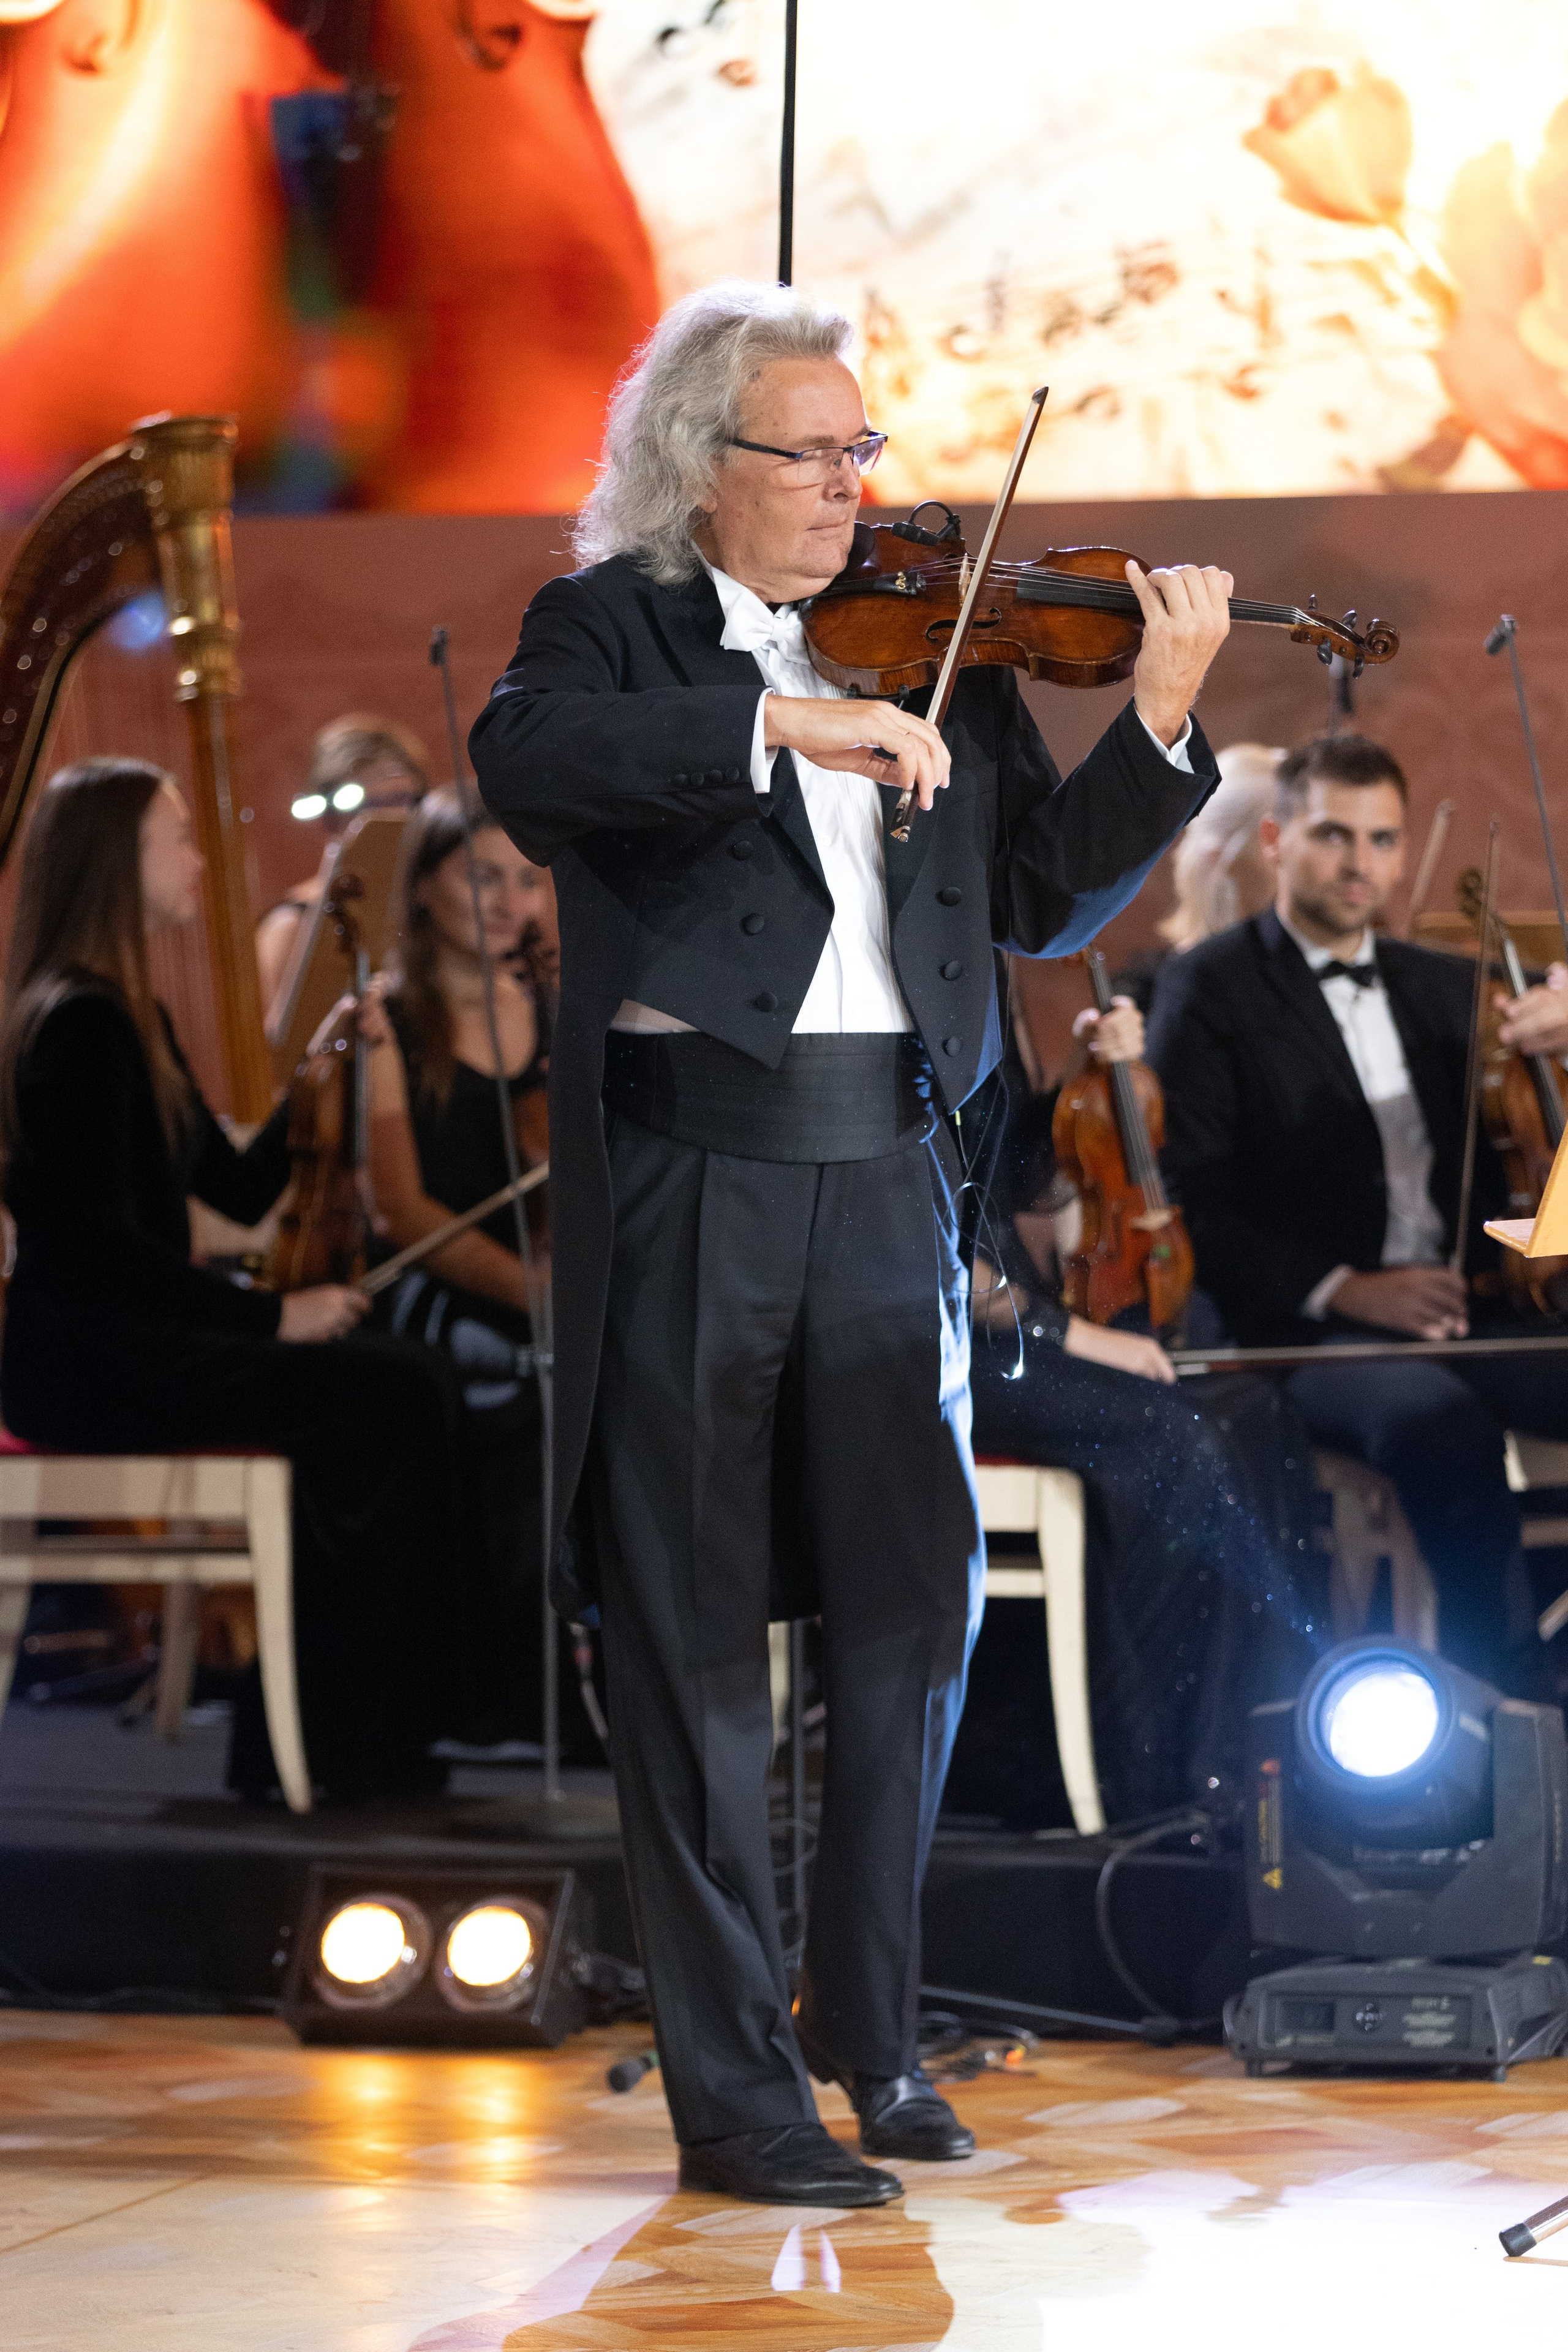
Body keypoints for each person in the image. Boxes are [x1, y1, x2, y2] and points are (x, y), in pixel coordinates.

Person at [469, 279, 1229, 2207]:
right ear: (694, 468)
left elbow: (1045, 902)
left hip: (891, 1173)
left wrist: (1152, 716)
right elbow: (531, 761)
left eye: (859, 448)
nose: (848, 485)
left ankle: (870, 2041)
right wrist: (779, 717)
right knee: (694, 1633)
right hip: (695, 1167)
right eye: (806, 452)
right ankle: (733, 2097)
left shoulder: (941, 648)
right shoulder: (612, 629)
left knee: (906, 1617)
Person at [0, 756, 466, 1800]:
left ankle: (352, 1732)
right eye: (178, 838)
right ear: (121, 862)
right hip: (83, 1366)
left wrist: (326, 1062)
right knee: (392, 1394)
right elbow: (99, 1261)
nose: (198, 858)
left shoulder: (134, 1020)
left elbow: (244, 1191)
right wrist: (270, 1321)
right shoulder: (76, 1025)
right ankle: (338, 1744)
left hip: (127, 1343)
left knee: (408, 1380)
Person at [1148, 730, 1568, 1691]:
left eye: (1384, 840)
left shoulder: (1448, 985)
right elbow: (1191, 1203)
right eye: (1336, 836)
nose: (1361, 864)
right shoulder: (1206, 988)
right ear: (1276, 841)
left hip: (1468, 1308)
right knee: (1441, 1432)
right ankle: (1496, 1714)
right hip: (1307, 1329)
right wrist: (1351, 1290)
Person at [959, 997, 1318, 1831]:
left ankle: (1257, 1743)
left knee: (1257, 1416)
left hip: (1008, 1329)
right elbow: (928, 1256)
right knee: (1172, 1436)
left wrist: (1075, 1092)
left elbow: (1010, 1174)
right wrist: (1071, 1332)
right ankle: (1156, 1780)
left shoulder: (986, 972)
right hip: (934, 1346)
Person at [358, 788, 585, 1750]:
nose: (509, 902)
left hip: (537, 1290)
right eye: (481, 876)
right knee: (531, 1381)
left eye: (527, 881)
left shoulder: (551, 1006)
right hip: (429, 1288)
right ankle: (521, 1689)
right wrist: (529, 1292)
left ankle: (613, 1671)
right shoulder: (383, 1019)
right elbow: (399, 1209)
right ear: (424, 885)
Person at [255, 714, 430, 1017]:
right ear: (330, 818)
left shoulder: (431, 905)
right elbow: (277, 1052)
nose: (398, 819)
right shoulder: (290, 926)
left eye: (408, 801)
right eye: (376, 807)